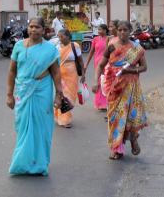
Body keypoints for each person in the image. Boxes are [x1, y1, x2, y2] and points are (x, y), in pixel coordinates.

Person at [6, 17, 63, 176]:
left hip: (41, 91)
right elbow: (12, 71)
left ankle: (39, 164)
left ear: (43, 30)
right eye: (31, 26)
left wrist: (59, 95)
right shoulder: (18, 46)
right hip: (22, 91)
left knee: (41, 127)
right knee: (23, 128)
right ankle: (22, 163)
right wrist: (9, 94)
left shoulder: (50, 49)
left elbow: (56, 73)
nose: (33, 30)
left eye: (37, 27)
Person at [96, 21, 148, 160]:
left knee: (130, 117)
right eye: (120, 30)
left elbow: (144, 67)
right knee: (115, 117)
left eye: (125, 30)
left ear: (130, 31)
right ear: (117, 31)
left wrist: (131, 70)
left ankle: (132, 138)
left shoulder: (136, 48)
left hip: (131, 86)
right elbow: (101, 64)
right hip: (114, 86)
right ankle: (116, 147)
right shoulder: (111, 46)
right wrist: (96, 82)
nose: (122, 32)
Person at [54, 29, 85, 128]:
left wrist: (83, 74)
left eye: (62, 36)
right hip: (60, 75)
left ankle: (63, 116)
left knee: (70, 97)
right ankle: (64, 119)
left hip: (72, 75)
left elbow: (80, 61)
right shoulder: (57, 47)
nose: (60, 38)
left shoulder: (75, 46)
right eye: (58, 36)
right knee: (62, 96)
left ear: (68, 36)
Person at [84, 24, 109, 111]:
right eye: (98, 30)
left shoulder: (109, 39)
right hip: (97, 63)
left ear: (106, 30)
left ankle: (106, 103)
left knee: (105, 82)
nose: (99, 31)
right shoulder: (95, 39)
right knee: (98, 81)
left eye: (101, 30)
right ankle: (99, 103)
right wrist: (86, 65)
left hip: (107, 63)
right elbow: (91, 52)